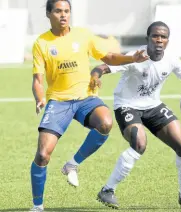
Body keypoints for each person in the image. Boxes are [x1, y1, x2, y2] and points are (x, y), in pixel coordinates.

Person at [89, 21, 181, 210]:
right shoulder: (135, 57)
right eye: (155, 36)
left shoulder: (171, 59)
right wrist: (95, 76)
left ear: (168, 40)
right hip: (127, 106)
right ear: (148, 38)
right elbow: (102, 67)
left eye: (163, 37)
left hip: (153, 106)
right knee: (139, 144)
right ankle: (107, 190)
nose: (159, 40)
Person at [30, 0, 149, 211]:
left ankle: (72, 164)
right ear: (49, 14)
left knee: (105, 122)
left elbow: (109, 57)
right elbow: (38, 80)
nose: (63, 15)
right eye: (58, 11)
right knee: (42, 155)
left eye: (67, 11)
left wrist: (133, 58)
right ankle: (38, 206)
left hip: (85, 98)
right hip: (58, 101)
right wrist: (40, 98)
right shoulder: (41, 43)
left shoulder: (83, 35)